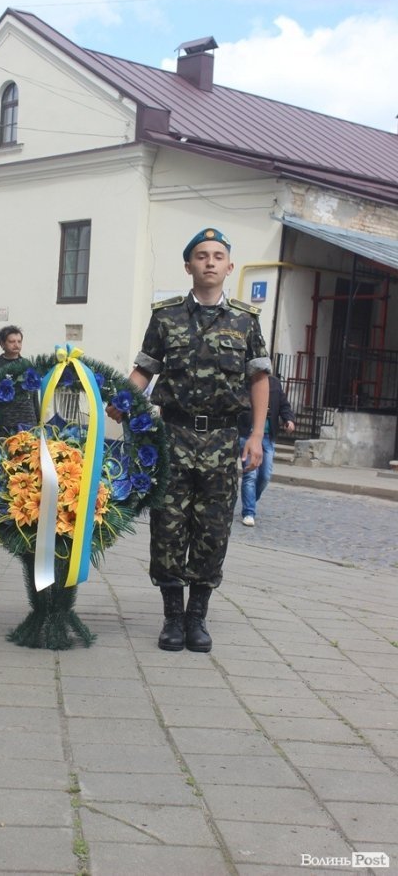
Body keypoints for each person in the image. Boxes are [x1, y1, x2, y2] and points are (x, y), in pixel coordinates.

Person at [108, 227, 271, 653]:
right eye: (201, 255)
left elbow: (258, 378)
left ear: (230, 266)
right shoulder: (165, 317)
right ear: (188, 266)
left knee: (213, 531)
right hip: (173, 436)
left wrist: (255, 435)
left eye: (218, 255)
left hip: (221, 440)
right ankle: (172, 618)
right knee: (168, 528)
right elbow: (145, 369)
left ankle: (197, 617)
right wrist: (122, 399)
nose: (210, 262)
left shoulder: (245, 321)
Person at [238, 374, 295, 526]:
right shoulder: (245, 381)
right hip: (248, 434)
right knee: (250, 475)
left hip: (268, 436)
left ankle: (250, 500)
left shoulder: (274, 383)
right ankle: (249, 512)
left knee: (265, 476)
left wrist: (288, 420)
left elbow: (284, 405)